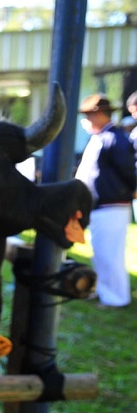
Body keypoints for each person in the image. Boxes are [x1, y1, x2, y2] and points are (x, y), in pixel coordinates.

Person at [75, 94, 136, 308]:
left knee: (110, 254)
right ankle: (103, 290)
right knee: (100, 252)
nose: (86, 121)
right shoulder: (100, 137)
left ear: (99, 114)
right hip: (99, 206)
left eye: (88, 116)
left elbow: (128, 171)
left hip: (113, 205)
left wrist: (131, 190)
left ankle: (116, 298)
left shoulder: (114, 139)